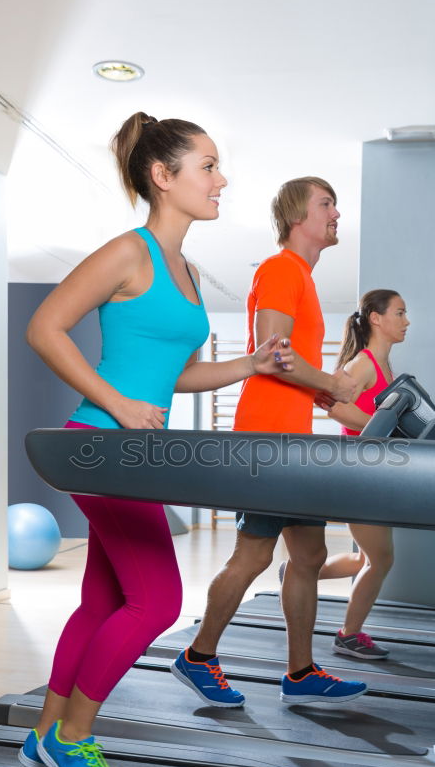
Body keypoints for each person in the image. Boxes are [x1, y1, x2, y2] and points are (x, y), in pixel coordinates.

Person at [20, 111, 295, 767]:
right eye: (207, 166)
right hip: (101, 444)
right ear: (162, 176)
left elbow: (174, 375)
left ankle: (45, 730)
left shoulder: (189, 272)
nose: (221, 179)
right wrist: (117, 402)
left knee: (106, 600)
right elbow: (44, 327)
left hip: (136, 452)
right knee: (160, 601)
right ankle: (74, 736)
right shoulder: (128, 252)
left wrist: (249, 363)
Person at [172, 176, 367, 709]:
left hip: (290, 433)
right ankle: (198, 655)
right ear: (296, 215)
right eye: (326, 204)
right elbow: (274, 354)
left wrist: (328, 396)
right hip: (269, 438)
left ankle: (300, 671)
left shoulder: (300, 276)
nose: (336, 213)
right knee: (254, 554)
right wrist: (329, 382)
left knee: (309, 552)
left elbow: (292, 367)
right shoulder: (282, 269)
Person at [318, 289, 410, 660]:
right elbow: (335, 408)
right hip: (357, 470)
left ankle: (297, 574)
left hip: (375, 471)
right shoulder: (365, 363)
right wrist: (378, 427)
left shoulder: (387, 367)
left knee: (362, 559)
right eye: (400, 313)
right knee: (380, 560)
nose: (406, 321)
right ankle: (349, 635)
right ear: (376, 318)